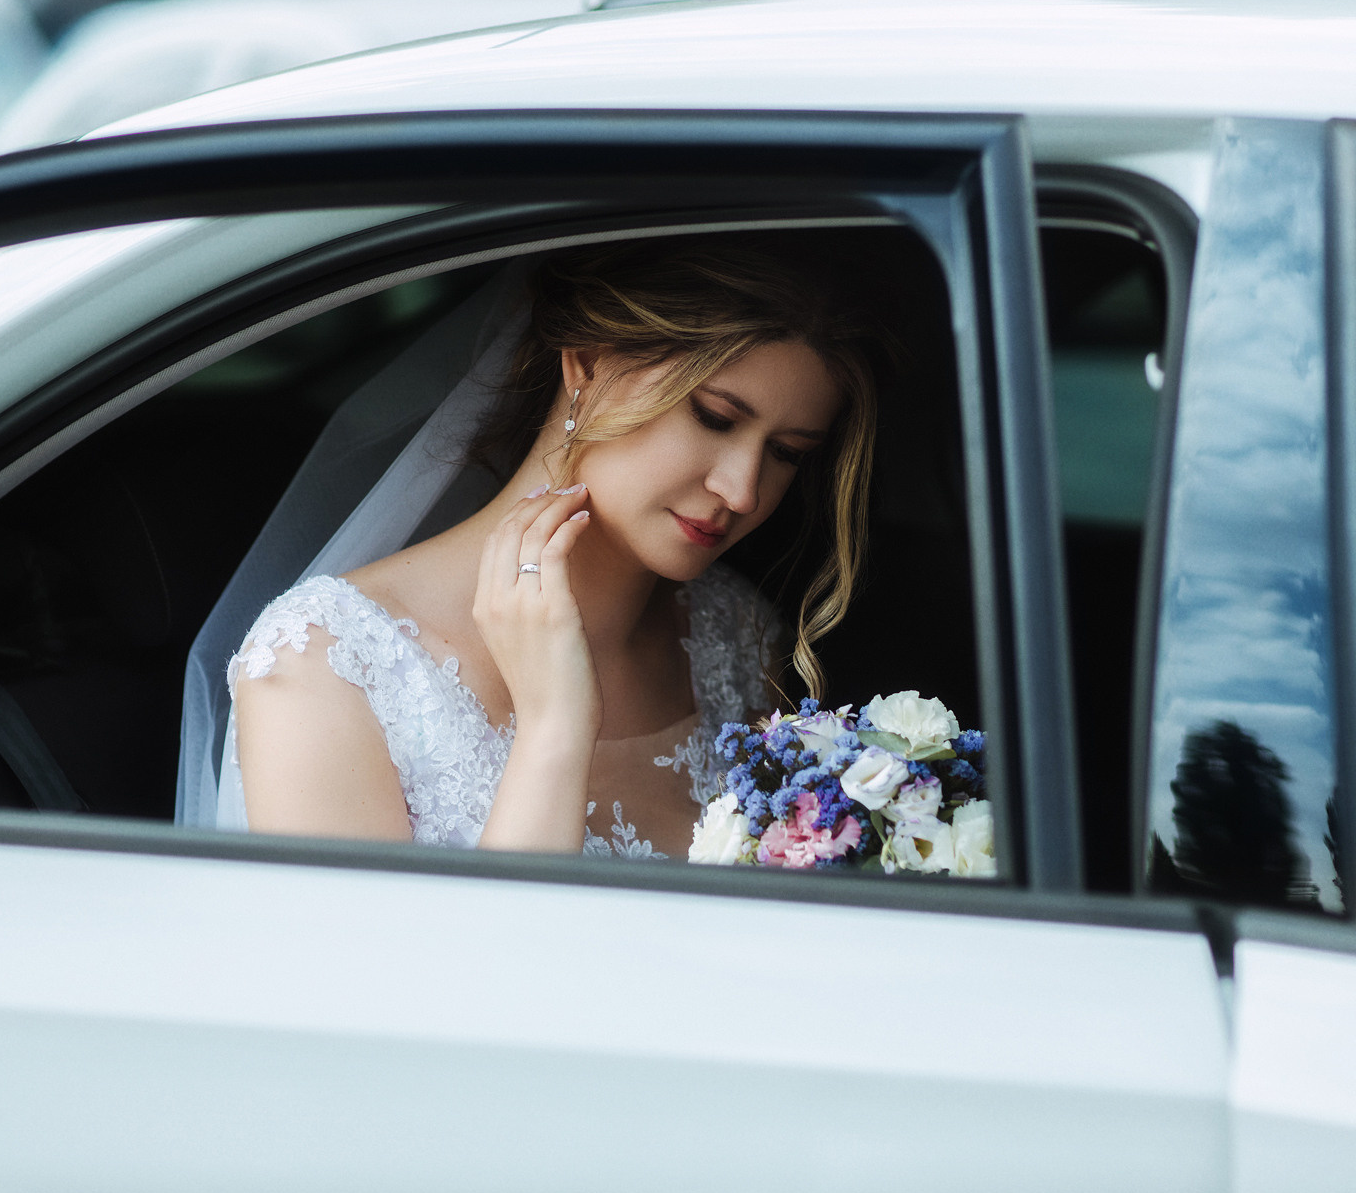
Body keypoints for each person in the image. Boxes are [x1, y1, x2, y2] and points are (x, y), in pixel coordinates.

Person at [225, 239, 883, 857]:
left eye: (787, 453)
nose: (742, 489)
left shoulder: (734, 636)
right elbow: (380, 983)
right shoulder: (325, 666)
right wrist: (553, 728)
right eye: (713, 416)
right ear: (588, 359)